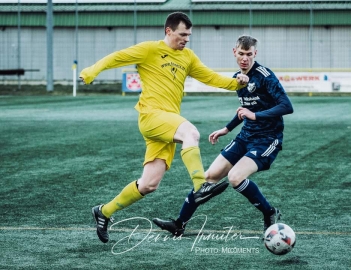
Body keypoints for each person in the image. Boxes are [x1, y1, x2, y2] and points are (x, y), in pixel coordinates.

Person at [79, 12, 249, 243]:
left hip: (167, 123)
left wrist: (235, 83)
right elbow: (116, 57)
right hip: (151, 116)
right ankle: (201, 186)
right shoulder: (149, 49)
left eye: (189, 35)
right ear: (168, 31)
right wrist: (91, 71)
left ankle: (103, 212)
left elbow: (209, 77)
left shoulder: (187, 57)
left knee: (149, 184)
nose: (186, 39)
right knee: (191, 133)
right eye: (182, 34)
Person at [153, 35, 294, 236]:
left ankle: (270, 212)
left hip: (267, 139)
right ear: (234, 52)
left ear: (255, 54)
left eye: (249, 54)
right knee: (208, 177)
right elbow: (244, 109)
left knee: (235, 177)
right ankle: (179, 224)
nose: (245, 58)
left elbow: (286, 106)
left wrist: (255, 115)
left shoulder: (264, 75)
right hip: (245, 136)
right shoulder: (238, 77)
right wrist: (226, 129)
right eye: (241, 54)